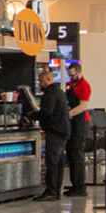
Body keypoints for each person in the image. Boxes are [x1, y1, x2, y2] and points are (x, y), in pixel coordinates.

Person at [27, 67, 71, 200]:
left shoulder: (50, 94)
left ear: (48, 79)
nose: (40, 84)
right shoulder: (59, 92)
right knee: (57, 162)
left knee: (52, 161)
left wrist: (32, 115)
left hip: (55, 131)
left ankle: (51, 190)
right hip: (63, 130)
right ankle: (56, 189)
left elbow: (47, 112)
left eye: (41, 81)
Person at [64, 61, 93, 196]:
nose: (71, 78)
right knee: (71, 152)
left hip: (80, 122)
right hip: (72, 122)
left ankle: (80, 186)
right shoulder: (70, 85)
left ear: (79, 72)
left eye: (73, 75)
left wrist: (68, 114)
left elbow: (83, 106)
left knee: (77, 153)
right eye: (70, 75)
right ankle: (74, 183)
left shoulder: (84, 86)